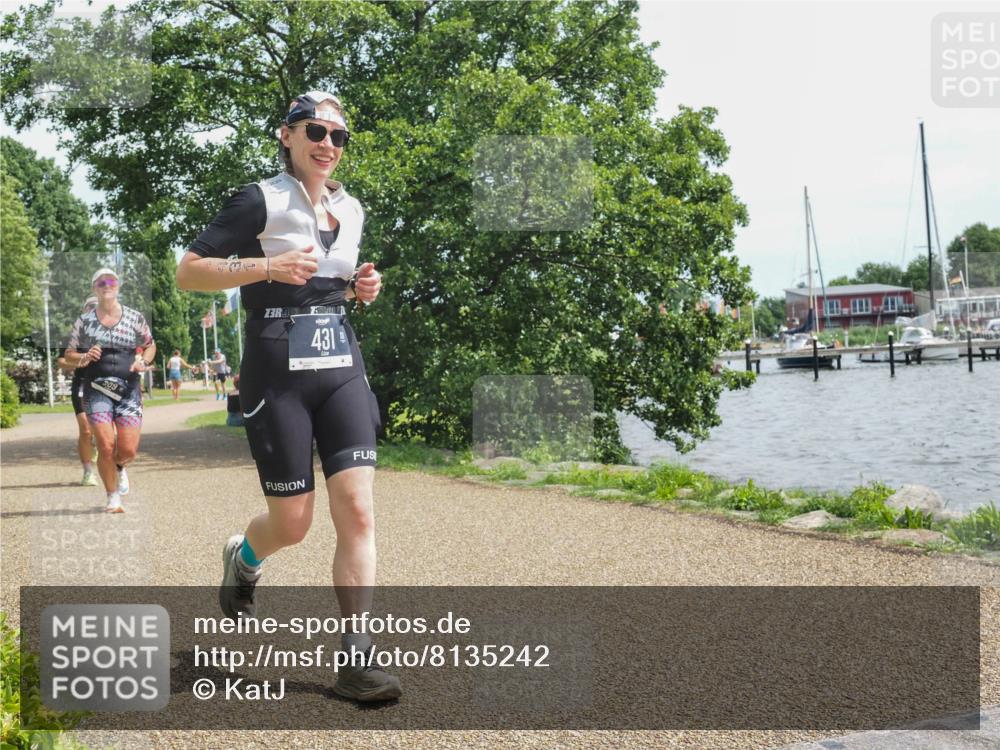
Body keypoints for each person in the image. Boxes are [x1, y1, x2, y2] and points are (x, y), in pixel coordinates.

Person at [177, 90, 394, 701]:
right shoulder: (259, 199)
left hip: (340, 364)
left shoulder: (351, 209)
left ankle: (356, 657)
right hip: (276, 370)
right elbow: (188, 271)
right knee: (293, 523)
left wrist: (361, 289)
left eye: (338, 136)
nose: (328, 144)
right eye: (315, 131)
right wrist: (265, 268)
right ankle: (245, 559)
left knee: (357, 510)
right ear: (287, 134)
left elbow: (332, 283)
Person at [64, 269, 156, 513]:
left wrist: (143, 361)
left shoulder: (134, 317)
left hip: (128, 390)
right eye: (101, 282)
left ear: (118, 286)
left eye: (111, 281)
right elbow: (68, 354)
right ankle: (112, 497)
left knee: (128, 450)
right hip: (97, 390)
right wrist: (84, 356)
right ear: (94, 287)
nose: (107, 285)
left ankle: (119, 466)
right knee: (105, 445)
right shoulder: (84, 321)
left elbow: (150, 346)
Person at [57, 298, 100, 485]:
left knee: (104, 430)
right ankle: (88, 472)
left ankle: (97, 443)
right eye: (89, 309)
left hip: (105, 385)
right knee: (85, 429)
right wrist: (78, 361)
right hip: (82, 383)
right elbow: (61, 361)